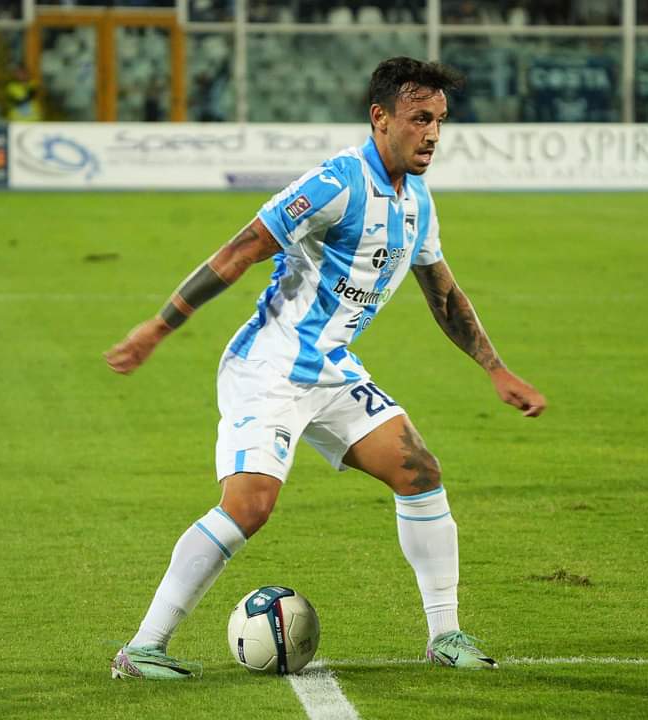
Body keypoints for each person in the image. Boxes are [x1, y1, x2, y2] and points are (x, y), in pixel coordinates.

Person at [104, 56, 547, 680]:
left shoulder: (417, 202)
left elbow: (444, 296)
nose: (432, 135)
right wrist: (158, 326)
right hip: (270, 368)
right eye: (419, 118)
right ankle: (143, 647)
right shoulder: (336, 184)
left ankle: (445, 634)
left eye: (440, 121)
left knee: (419, 472)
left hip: (332, 371)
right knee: (250, 506)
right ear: (380, 117)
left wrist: (495, 370)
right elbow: (240, 250)